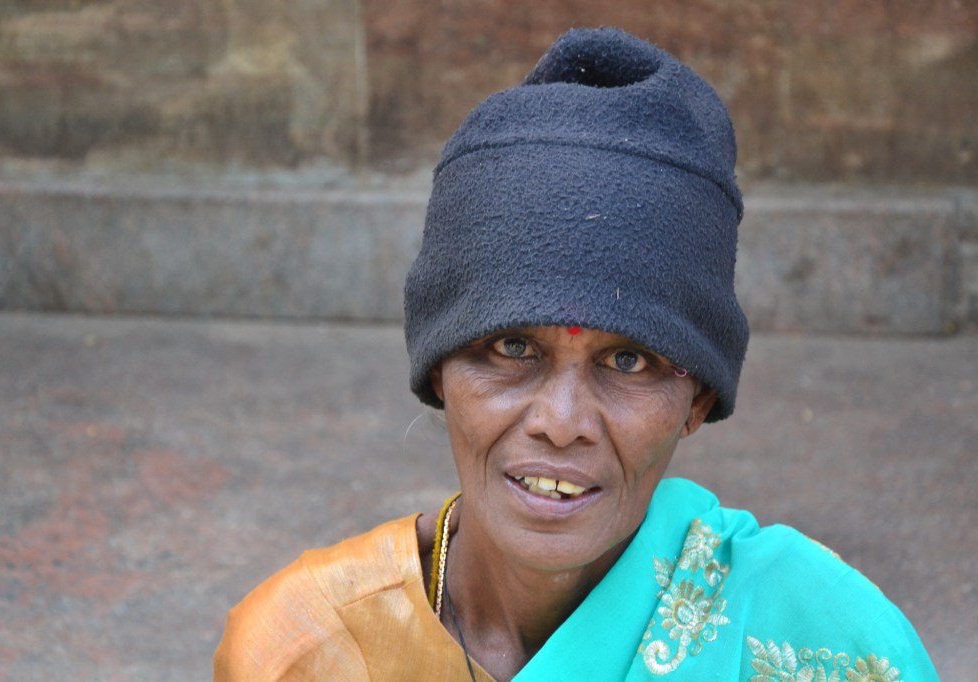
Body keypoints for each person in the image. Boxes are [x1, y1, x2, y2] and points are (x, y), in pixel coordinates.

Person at [214, 28, 938, 681]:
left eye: (628, 362)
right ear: (438, 368)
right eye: (511, 347)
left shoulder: (822, 647)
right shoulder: (304, 653)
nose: (561, 423)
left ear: (698, 400)